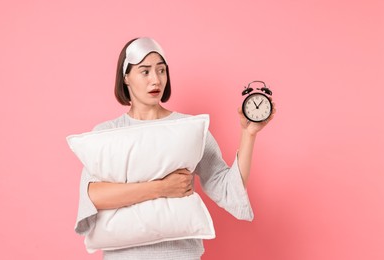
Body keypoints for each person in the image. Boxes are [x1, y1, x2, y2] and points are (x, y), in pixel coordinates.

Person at [75, 37, 275, 260]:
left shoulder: (189, 129)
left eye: (161, 70)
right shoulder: (108, 133)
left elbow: (227, 188)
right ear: (126, 78)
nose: (156, 80)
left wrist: (248, 135)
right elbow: (93, 196)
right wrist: (162, 188)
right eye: (145, 71)